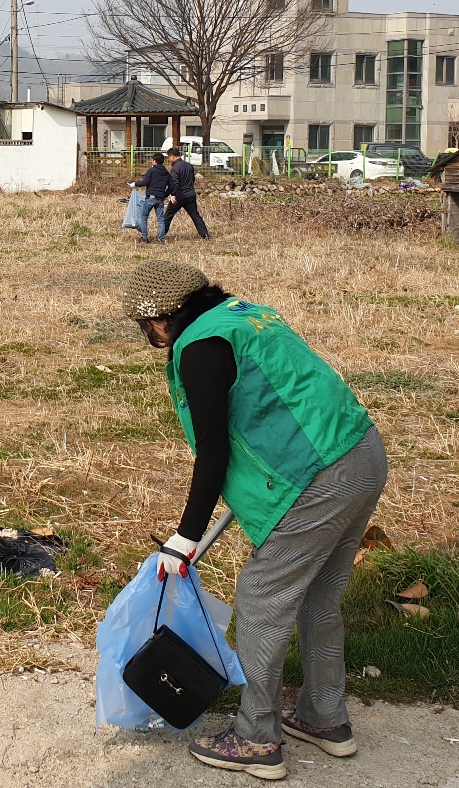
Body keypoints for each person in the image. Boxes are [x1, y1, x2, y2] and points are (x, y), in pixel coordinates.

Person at [120, 260, 385, 779]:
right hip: (361, 454)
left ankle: (257, 737)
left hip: (319, 477)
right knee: (318, 596)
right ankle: (324, 716)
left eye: (145, 327)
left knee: (262, 595)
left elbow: (213, 454)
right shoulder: (245, 316)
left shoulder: (199, 349)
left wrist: (184, 538)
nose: (149, 338)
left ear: (163, 317)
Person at [163, 146, 211, 240]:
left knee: (168, 215)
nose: (168, 160)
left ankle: (161, 234)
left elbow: (174, 183)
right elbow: (192, 179)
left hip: (179, 196)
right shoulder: (189, 165)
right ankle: (205, 235)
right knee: (195, 215)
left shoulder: (175, 168)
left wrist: (171, 195)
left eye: (169, 157)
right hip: (190, 195)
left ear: (172, 156)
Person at [133, 152, 173, 244]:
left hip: (150, 197)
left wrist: (135, 184)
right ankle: (161, 239)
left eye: (152, 160)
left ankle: (144, 238)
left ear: (155, 161)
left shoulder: (151, 170)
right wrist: (164, 194)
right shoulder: (166, 172)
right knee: (161, 220)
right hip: (160, 199)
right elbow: (172, 186)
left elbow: (145, 182)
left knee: (143, 217)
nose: (151, 161)